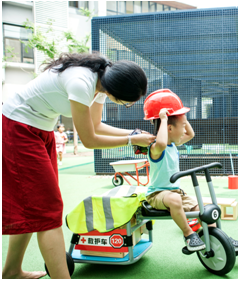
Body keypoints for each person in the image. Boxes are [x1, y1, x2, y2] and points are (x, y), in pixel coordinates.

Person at [2, 52, 156, 279]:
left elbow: (95, 125)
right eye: (126, 102)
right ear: (116, 90)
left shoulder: (103, 83)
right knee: (47, 210)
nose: (124, 105)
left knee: (33, 207)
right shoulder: (82, 82)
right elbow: (89, 139)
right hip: (18, 128)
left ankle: (12, 271)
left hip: (41, 130)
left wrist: (132, 134)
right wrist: (131, 139)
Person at [144, 89, 238, 253]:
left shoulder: (173, 144)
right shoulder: (156, 148)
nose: (184, 130)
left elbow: (191, 134)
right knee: (175, 199)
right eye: (182, 126)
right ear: (169, 128)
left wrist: (181, 114)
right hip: (157, 195)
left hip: (176, 193)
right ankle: (189, 235)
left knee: (203, 208)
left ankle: (219, 236)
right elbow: (161, 143)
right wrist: (163, 119)